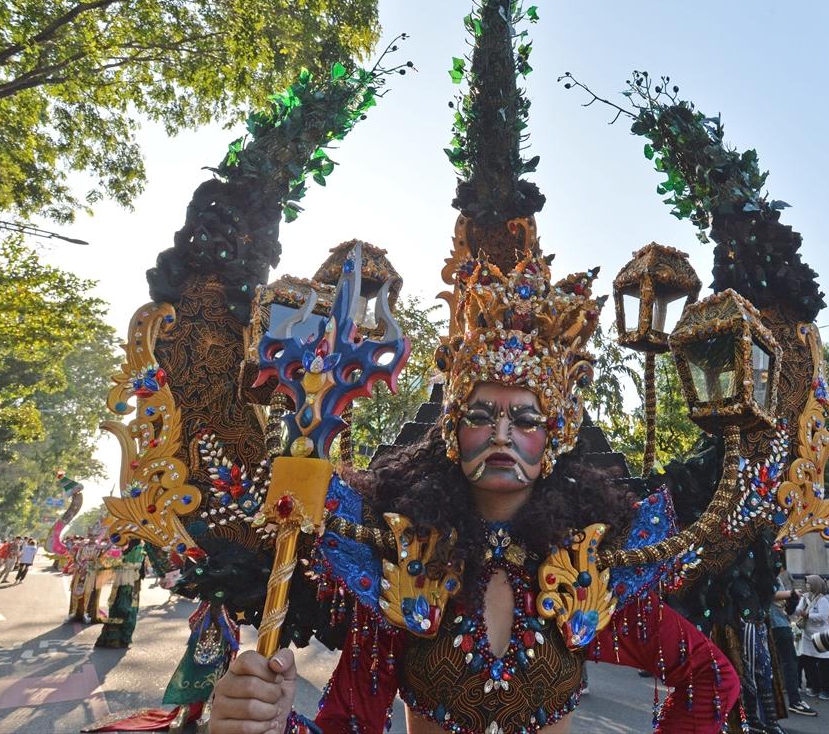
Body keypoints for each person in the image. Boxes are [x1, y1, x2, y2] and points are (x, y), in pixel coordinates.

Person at [208, 253, 742, 734]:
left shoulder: (589, 570)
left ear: (554, 436)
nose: (503, 435)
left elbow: (710, 676)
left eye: (526, 419)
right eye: (482, 416)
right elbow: (348, 722)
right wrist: (271, 722)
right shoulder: (405, 562)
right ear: (452, 432)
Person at [772, 575, 815, 716]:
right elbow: (767, 593)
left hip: (778, 622)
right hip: (775, 624)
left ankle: (788, 700)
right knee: (788, 662)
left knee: (785, 663)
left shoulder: (772, 574)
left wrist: (791, 598)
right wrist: (791, 593)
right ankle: (794, 701)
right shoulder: (762, 571)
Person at [95, 541, 147, 648]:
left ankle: (114, 638)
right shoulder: (135, 547)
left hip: (128, 582)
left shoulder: (133, 547)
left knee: (119, 608)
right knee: (123, 608)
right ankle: (119, 639)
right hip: (127, 583)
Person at [794, 574, 829, 701]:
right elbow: (798, 610)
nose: (807, 585)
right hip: (807, 635)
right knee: (809, 663)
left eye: (809, 583)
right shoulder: (805, 597)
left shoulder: (823, 600)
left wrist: (808, 615)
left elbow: (823, 616)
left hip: (821, 635)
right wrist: (800, 612)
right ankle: (814, 687)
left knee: (824, 664)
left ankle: (826, 689)